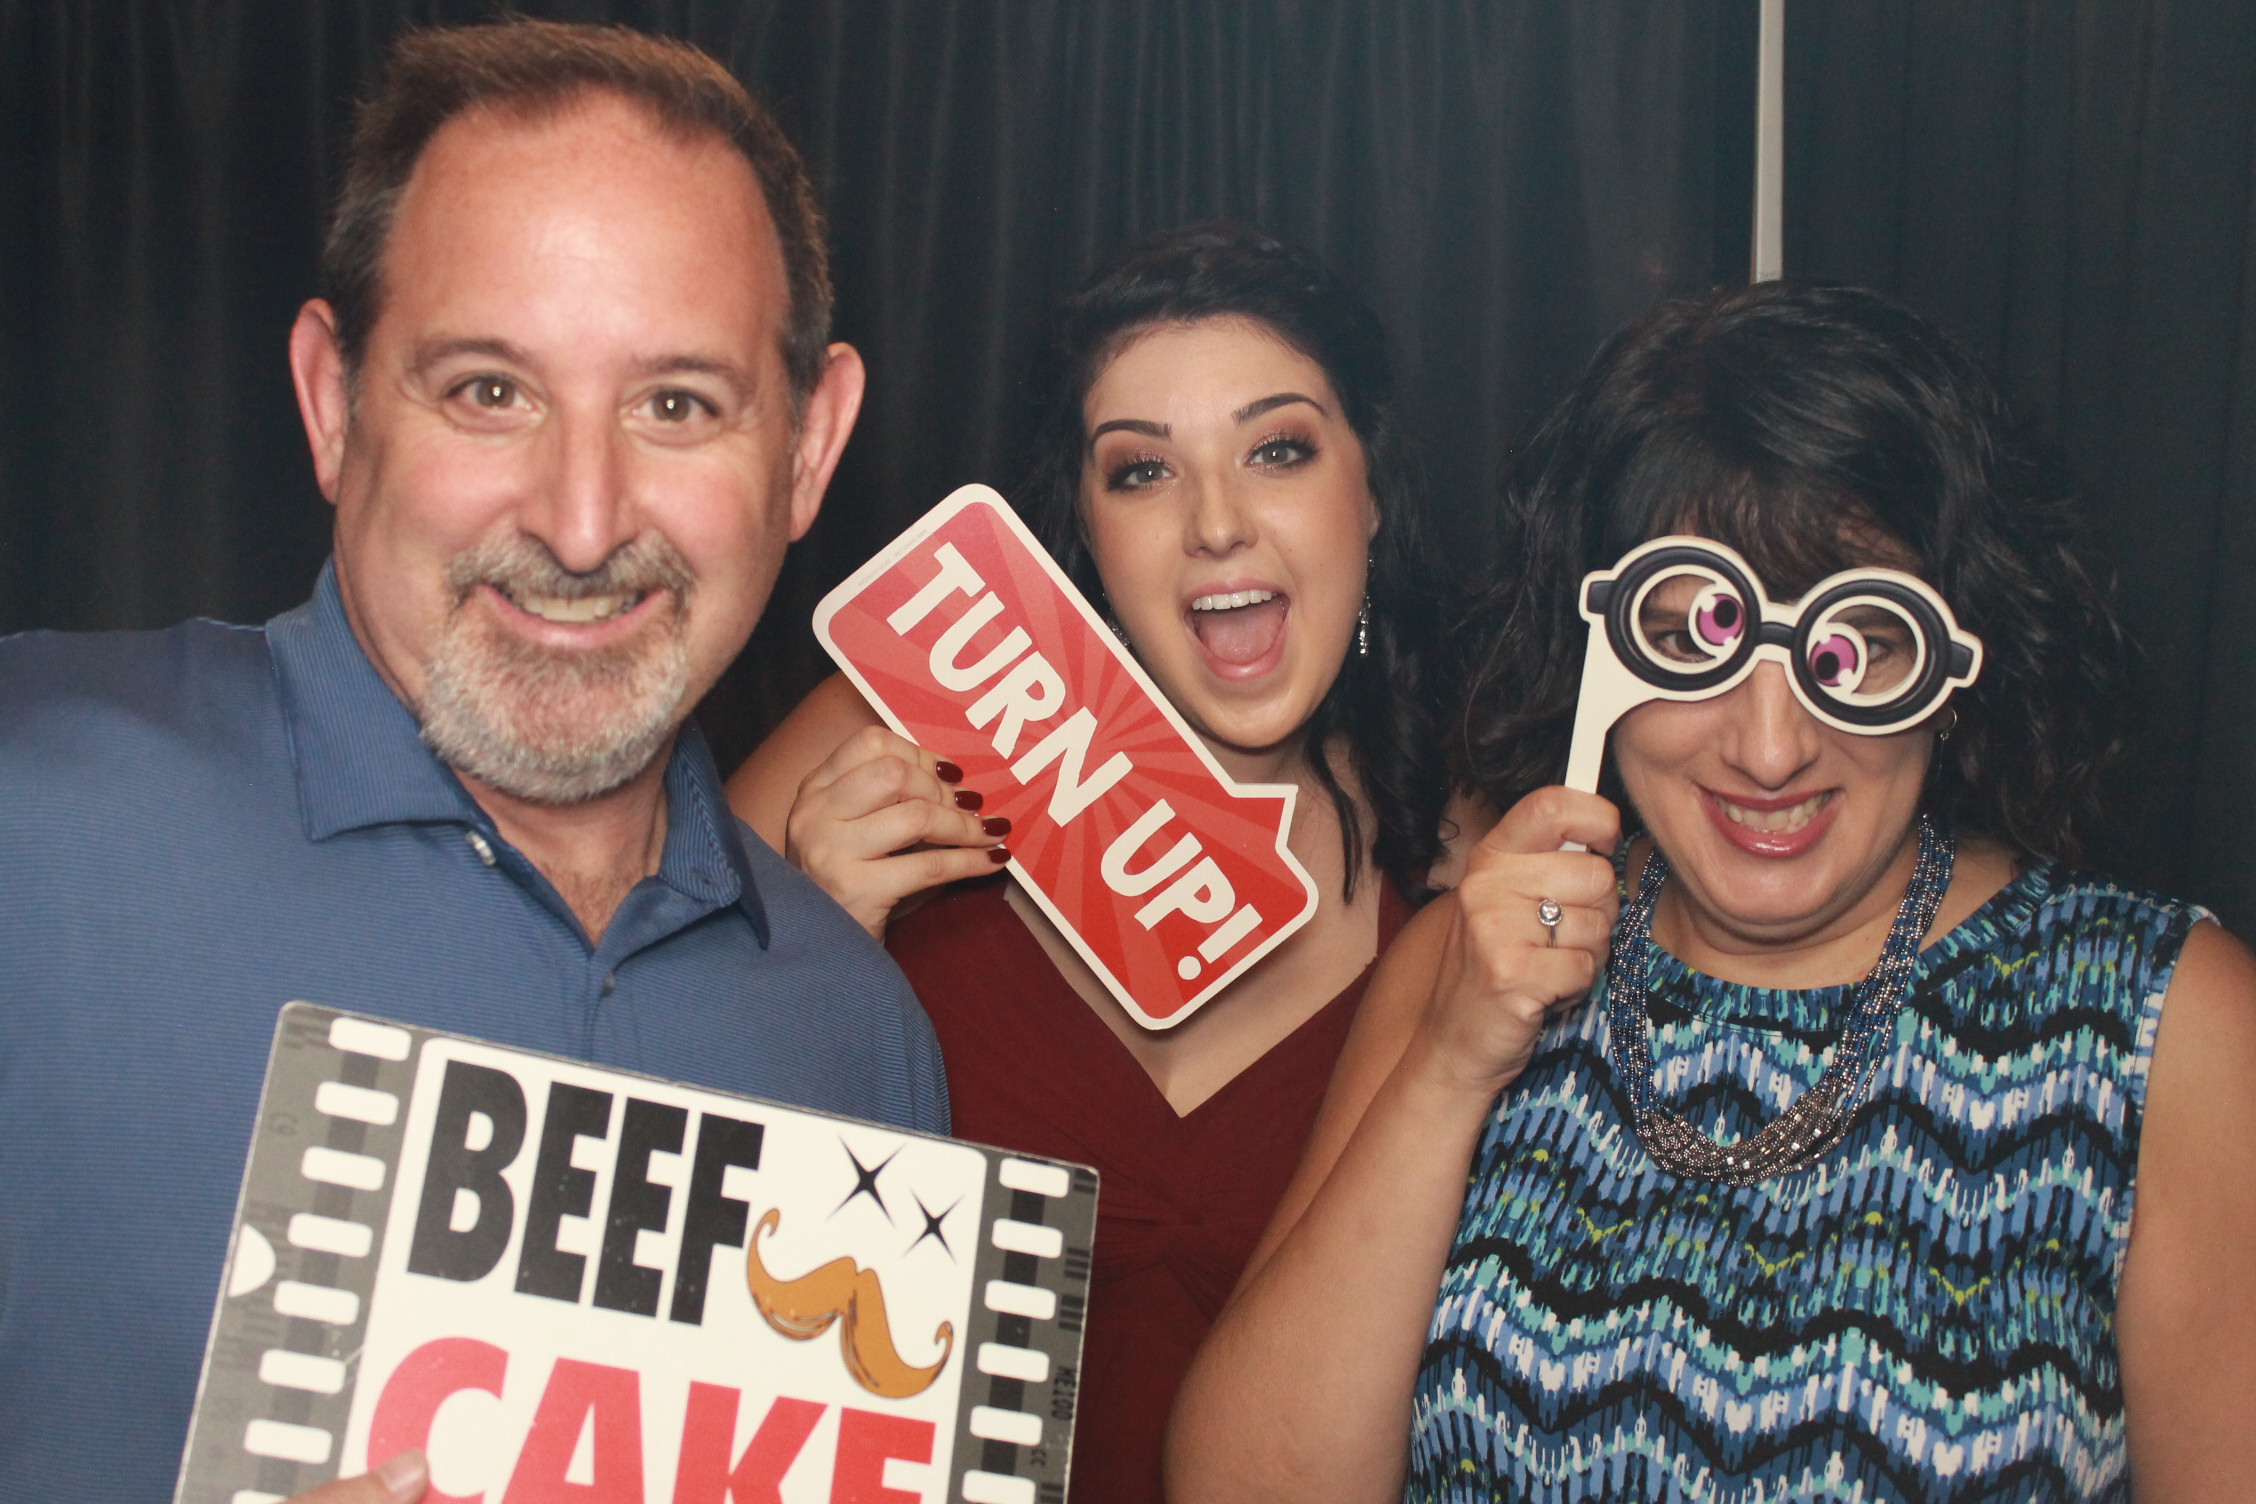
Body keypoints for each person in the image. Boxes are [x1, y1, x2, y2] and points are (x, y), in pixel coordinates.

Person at [0, 21, 950, 1504]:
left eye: (677, 404)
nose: (581, 522)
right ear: (333, 402)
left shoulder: (861, 1034)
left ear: (810, 448)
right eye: (490, 390)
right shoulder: (30, 818)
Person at [1168, 282, 2256, 1501]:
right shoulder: (1469, 961)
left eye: (1853, 649)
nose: (1770, 746)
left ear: (1955, 662)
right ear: (1601, 649)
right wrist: (1450, 1064)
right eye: (1693, 638)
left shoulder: (2162, 1028)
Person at [727, 223, 1460, 1502]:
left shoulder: (1464, 867)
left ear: (1374, 490)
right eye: (1142, 473)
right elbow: (621, 1162)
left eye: (1277, 450)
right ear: (1082, 524)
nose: (1219, 524)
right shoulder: (898, 719)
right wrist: (805, 942)